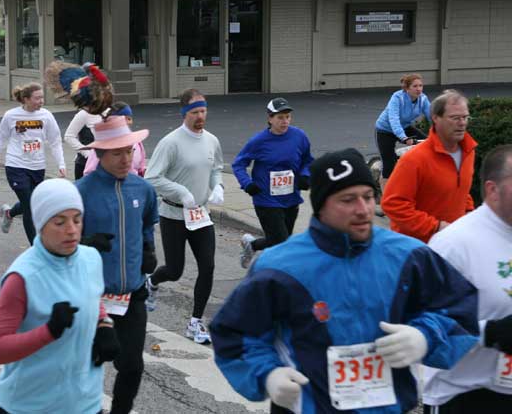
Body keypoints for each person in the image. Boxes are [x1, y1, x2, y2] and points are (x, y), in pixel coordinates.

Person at [210, 148, 480, 414]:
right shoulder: (278, 267)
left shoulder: (409, 256)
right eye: (348, 200)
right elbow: (233, 332)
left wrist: (425, 336)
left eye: (368, 196)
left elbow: (461, 307)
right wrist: (267, 375)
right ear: (322, 206)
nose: (363, 209)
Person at [0, 178, 117, 414]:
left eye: (77, 219)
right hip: (29, 406)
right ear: (41, 224)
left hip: (85, 403)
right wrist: (49, 331)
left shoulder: (90, 259)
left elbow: (91, 296)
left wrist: (104, 324)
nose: (72, 230)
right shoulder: (23, 277)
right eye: (59, 222)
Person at [76, 116, 158, 414]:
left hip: (130, 295)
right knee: (88, 367)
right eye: (117, 153)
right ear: (99, 154)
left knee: (133, 366)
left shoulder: (143, 190)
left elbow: (148, 222)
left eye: (129, 150)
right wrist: (84, 242)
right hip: (92, 298)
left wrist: (149, 248)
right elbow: (57, 241)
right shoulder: (81, 192)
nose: (126, 158)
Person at [422, 145, 512, 412]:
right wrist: (491, 333)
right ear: (492, 189)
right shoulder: (453, 244)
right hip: (463, 394)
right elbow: (423, 326)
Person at [143, 89, 224, 344]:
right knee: (175, 270)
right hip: (173, 214)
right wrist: (181, 192)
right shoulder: (171, 143)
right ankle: (152, 281)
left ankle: (195, 322)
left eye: (203, 111)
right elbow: (152, 177)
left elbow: (216, 168)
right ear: (184, 113)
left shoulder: (211, 140)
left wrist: (218, 185)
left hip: (200, 215)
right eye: (195, 112)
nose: (201, 116)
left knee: (208, 267)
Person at [0, 82, 66, 244]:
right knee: (30, 207)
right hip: (15, 166)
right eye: (37, 98)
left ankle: (10, 213)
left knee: (32, 202)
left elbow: (55, 141)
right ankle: (36, 248)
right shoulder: (11, 116)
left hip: (37, 167)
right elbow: (0, 140)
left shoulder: (46, 116)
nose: (41, 101)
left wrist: (61, 164)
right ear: (26, 99)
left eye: (42, 97)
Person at [382, 89, 476, 243]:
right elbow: (393, 204)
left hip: (453, 244)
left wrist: (470, 215)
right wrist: (436, 227)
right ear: (436, 118)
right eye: (455, 118)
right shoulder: (414, 159)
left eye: (465, 117)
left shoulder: (468, 152)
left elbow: (460, 190)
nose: (462, 123)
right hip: (418, 250)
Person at [232, 97, 313, 268]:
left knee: (279, 240)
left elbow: (307, 160)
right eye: (280, 117)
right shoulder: (259, 141)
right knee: (282, 243)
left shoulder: (299, 136)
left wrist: (305, 175)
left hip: (290, 198)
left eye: (287, 117)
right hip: (266, 199)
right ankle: (275, 277)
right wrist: (247, 184)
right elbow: (239, 164)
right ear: (270, 118)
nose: (285, 121)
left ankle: (252, 245)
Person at [375, 74, 431, 193]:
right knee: (388, 165)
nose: (419, 89)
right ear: (407, 88)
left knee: (427, 145)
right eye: (415, 86)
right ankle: (386, 198)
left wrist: (441, 132)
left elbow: (432, 117)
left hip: (405, 127)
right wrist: (404, 138)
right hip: (385, 130)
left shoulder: (423, 99)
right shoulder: (397, 97)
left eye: (421, 86)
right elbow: (393, 119)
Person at [83, 104, 147, 178]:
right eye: (117, 153)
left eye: (129, 151)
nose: (125, 160)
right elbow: (89, 173)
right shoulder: (103, 145)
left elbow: (141, 168)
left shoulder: (137, 143)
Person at [64, 106, 102, 180]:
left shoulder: (108, 112)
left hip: (106, 165)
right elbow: (69, 136)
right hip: (85, 164)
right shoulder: (83, 114)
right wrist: (87, 153)